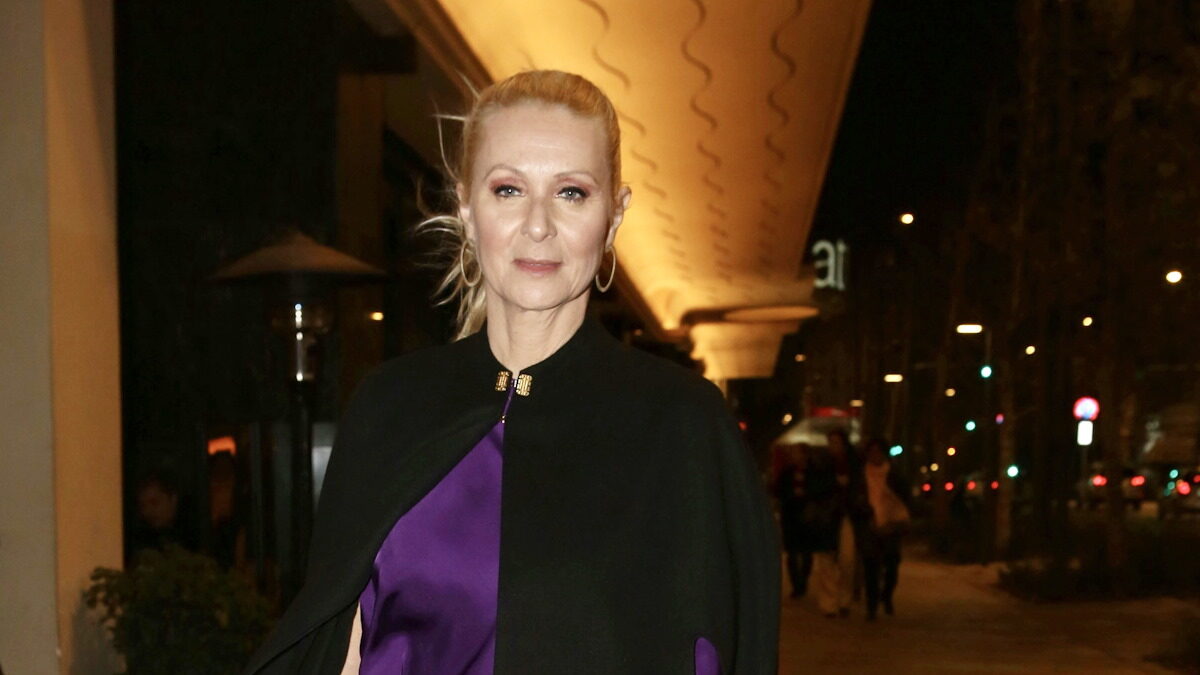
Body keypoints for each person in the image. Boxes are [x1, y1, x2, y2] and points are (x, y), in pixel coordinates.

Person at [244, 70, 779, 674]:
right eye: (508, 190)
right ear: (467, 209)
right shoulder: (390, 406)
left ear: (614, 215)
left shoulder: (683, 424)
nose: (538, 225)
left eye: (571, 192)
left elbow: (725, 650)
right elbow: (340, 645)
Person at [807, 429, 864, 618]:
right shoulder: (821, 464)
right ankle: (829, 603)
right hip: (827, 517)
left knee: (847, 560)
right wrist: (834, 483)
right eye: (831, 442)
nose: (834, 446)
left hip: (847, 515)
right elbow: (813, 488)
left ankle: (844, 600)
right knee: (826, 560)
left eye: (837, 442)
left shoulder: (854, 464)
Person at [858, 438, 911, 620]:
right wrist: (866, 514)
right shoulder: (861, 475)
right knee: (871, 567)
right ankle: (871, 606)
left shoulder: (895, 475)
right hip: (869, 525)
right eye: (871, 452)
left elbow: (905, 499)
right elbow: (855, 498)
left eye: (878, 452)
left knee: (891, 565)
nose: (875, 456)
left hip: (891, 525)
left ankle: (887, 595)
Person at [774, 443, 814, 598]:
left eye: (798, 453)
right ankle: (796, 585)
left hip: (807, 516)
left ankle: (803, 581)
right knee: (792, 553)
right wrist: (792, 494)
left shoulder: (813, 472)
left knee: (807, 553)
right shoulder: (787, 473)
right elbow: (778, 491)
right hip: (790, 516)